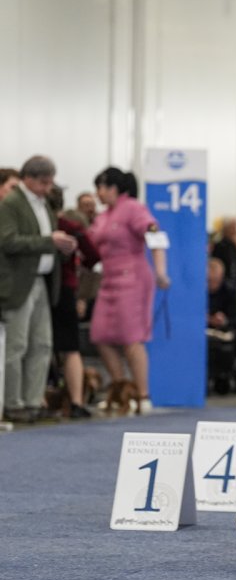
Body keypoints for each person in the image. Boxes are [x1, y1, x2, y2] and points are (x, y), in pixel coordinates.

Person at [0, 156, 78, 423]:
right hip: (19, 283)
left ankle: (33, 401)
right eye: (44, 182)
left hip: (42, 281)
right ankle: (13, 403)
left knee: (42, 344)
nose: (48, 188)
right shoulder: (11, 204)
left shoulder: (42, 204)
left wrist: (62, 246)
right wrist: (49, 241)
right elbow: (8, 241)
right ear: (28, 179)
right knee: (17, 345)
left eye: (49, 182)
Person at [88, 166, 170, 413]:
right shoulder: (103, 216)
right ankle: (121, 390)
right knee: (100, 335)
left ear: (113, 188)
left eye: (101, 188)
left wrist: (160, 270)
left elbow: (154, 234)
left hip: (133, 279)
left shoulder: (134, 208)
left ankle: (143, 395)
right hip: (108, 281)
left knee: (131, 338)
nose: (98, 193)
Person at [47, 185, 100, 417]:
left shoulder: (48, 225)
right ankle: (77, 402)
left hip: (45, 289)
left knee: (43, 348)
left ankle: (41, 400)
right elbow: (94, 256)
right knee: (70, 348)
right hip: (66, 289)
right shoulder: (71, 226)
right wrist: (77, 267)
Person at [207, 257, 236, 395]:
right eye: (209, 280)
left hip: (223, 330)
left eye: (216, 280)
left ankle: (223, 376)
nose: (213, 284)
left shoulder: (229, 290)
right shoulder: (198, 291)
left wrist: (224, 321)